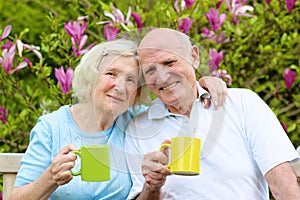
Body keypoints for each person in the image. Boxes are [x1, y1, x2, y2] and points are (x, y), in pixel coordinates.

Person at [10, 39, 227, 200]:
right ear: (91, 76)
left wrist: (204, 84)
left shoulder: (137, 121)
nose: (120, 87)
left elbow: (178, 101)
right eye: (111, 74)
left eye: (131, 80)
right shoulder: (52, 127)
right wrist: (51, 178)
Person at [124, 28, 300, 200]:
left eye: (170, 63)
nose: (161, 78)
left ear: (193, 57)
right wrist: (151, 186)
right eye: (150, 70)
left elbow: (282, 182)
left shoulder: (243, 104)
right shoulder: (138, 128)